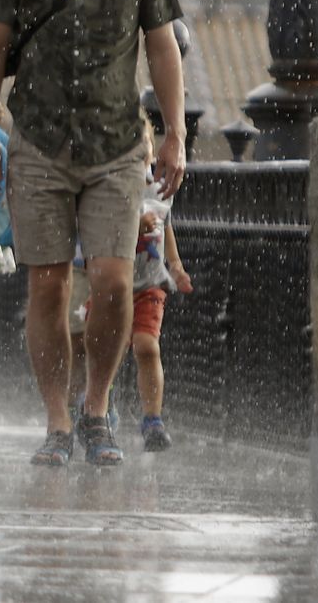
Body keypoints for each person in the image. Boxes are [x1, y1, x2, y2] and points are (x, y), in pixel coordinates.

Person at [0, 0, 186, 468]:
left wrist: (173, 132)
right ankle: (58, 421)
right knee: (48, 287)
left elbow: (163, 45)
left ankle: (97, 410)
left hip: (117, 146)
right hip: (39, 142)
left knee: (116, 283)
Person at [130, 121, 193, 451]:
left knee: (147, 346)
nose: (140, 155)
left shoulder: (157, 191)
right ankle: (98, 406)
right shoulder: (110, 188)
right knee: (102, 349)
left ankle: (153, 419)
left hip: (150, 282)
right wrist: (132, 225)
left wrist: (177, 267)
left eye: (144, 149)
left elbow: (166, 228)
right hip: (112, 284)